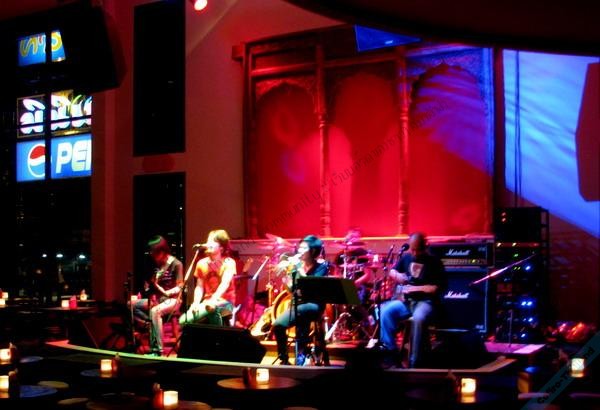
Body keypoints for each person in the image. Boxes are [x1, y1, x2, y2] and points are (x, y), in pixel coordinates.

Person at [379, 232, 446, 368]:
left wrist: (415, 288)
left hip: (425, 302)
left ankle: (415, 361)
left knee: (418, 318)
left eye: (417, 250)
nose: (414, 253)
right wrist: (397, 275)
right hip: (407, 302)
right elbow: (392, 271)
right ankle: (391, 354)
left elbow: (436, 288)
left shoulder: (434, 262)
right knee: (385, 311)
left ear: (424, 247)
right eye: (412, 249)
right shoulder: (406, 257)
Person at [272, 234, 330, 366]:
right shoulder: (296, 267)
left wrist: (298, 267)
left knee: (299, 317)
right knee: (278, 325)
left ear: (313, 251)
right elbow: (292, 290)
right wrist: (287, 279)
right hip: (298, 303)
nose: (300, 250)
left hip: (314, 304)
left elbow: (310, 285)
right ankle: (284, 358)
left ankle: (302, 353)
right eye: (300, 247)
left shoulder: (321, 267)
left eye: (304, 248)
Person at [132, 235, 184, 356]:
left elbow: (180, 287)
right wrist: (148, 291)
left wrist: (167, 292)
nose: (151, 255)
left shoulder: (176, 264)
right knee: (131, 304)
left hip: (173, 300)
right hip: (158, 300)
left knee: (155, 311)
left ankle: (157, 350)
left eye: (153, 252)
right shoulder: (156, 265)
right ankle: (148, 323)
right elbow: (151, 285)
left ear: (162, 251)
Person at [179, 229, 236, 327]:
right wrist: (196, 303)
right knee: (183, 320)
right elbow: (199, 286)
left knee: (212, 309)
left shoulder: (229, 262)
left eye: (213, 241)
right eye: (208, 240)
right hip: (206, 303)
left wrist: (213, 300)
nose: (209, 243)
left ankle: (218, 336)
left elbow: (225, 284)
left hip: (226, 302)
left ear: (221, 248)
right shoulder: (201, 263)